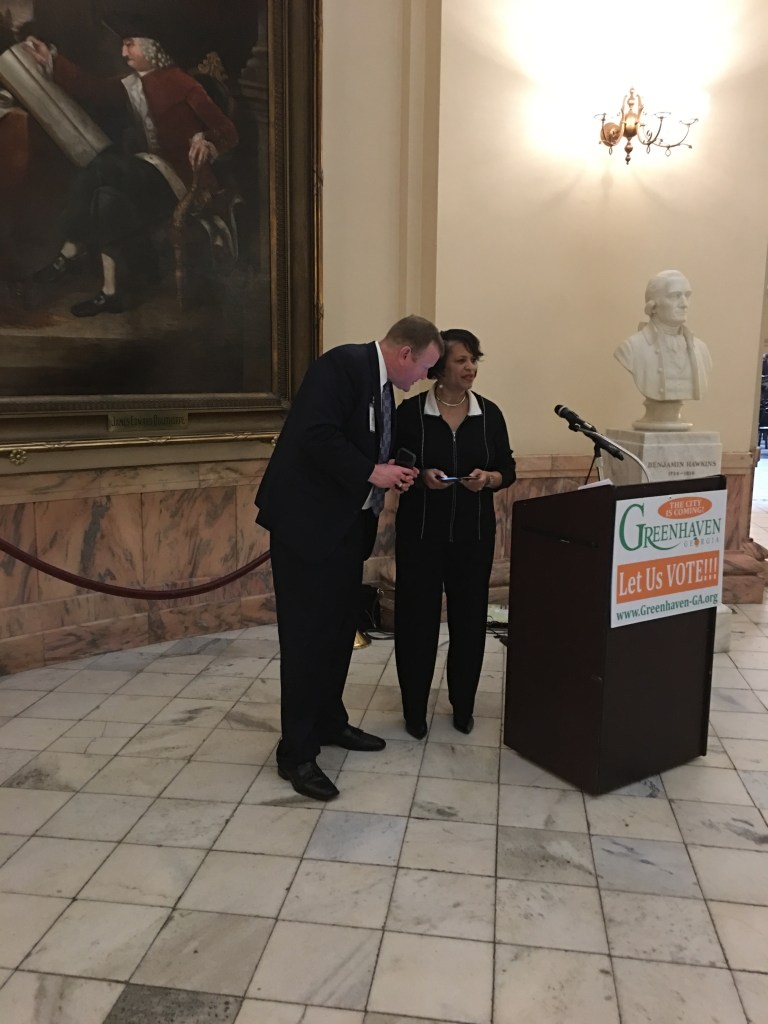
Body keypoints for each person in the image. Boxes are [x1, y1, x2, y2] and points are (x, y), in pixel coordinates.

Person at [255, 315, 443, 800]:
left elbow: (362, 441)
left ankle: (328, 722)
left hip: (345, 529)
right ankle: (296, 753)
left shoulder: (381, 386)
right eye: (424, 367)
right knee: (307, 639)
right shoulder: (342, 366)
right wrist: (371, 472)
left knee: (339, 632)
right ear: (405, 354)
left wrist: (390, 468)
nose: (424, 377)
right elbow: (315, 434)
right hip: (308, 529)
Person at [23, 18, 238, 317]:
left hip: (180, 178)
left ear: (152, 48)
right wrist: (52, 59)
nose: (123, 53)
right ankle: (110, 292)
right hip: (146, 176)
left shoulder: (183, 84)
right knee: (106, 198)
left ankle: (70, 251)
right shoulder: (132, 83)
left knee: (102, 167)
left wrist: (207, 141)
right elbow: (91, 88)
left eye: (129, 45)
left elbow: (228, 130)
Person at [394, 328, 516, 739]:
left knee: (469, 622)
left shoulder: (490, 414)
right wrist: (421, 475)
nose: (470, 367)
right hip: (420, 535)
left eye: (474, 359)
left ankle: (463, 706)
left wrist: (489, 478)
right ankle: (414, 710)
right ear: (439, 366)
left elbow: (508, 470)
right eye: (461, 360)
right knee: (417, 623)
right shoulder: (411, 413)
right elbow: (394, 464)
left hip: (473, 536)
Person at [614, 270, 713, 424]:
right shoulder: (632, 348)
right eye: (675, 296)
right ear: (653, 306)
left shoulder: (701, 349)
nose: (684, 304)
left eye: (687, 295)